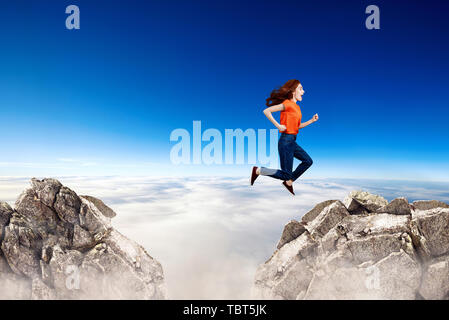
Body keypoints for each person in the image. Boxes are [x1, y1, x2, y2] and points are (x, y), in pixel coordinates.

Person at [250, 79, 319, 195]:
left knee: (308, 161)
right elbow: (267, 111)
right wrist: (278, 125)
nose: (303, 91)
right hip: (285, 141)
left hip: (292, 141)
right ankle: (258, 170)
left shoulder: (298, 108)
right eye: (301, 89)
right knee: (286, 174)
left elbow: (297, 126)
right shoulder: (287, 104)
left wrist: (311, 121)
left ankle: (289, 182)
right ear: (293, 91)